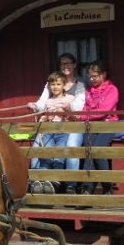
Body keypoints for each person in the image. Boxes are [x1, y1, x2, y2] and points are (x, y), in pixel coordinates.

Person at [27, 52, 86, 192]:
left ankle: (67, 184)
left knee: (66, 151)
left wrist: (65, 109)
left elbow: (78, 106)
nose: (66, 66)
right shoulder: (51, 84)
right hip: (49, 127)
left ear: (74, 65)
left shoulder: (79, 85)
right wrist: (35, 107)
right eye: (63, 63)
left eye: (69, 63)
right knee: (38, 151)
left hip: (67, 126)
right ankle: (37, 182)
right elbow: (42, 103)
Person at [73, 60, 119, 195]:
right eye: (90, 76)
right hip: (92, 125)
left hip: (108, 124)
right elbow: (86, 108)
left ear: (104, 74)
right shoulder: (89, 91)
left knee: (98, 151)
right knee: (88, 151)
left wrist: (81, 117)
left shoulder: (112, 90)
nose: (92, 79)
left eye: (95, 76)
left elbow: (104, 111)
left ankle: (107, 186)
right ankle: (88, 187)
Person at [28, 71, 75, 194]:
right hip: (48, 131)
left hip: (63, 131)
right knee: (46, 155)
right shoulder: (47, 102)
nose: (55, 87)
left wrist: (64, 111)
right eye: (52, 84)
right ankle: (42, 181)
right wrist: (43, 118)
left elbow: (73, 115)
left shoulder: (69, 99)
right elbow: (42, 116)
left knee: (59, 155)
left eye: (58, 84)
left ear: (64, 86)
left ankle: (55, 180)